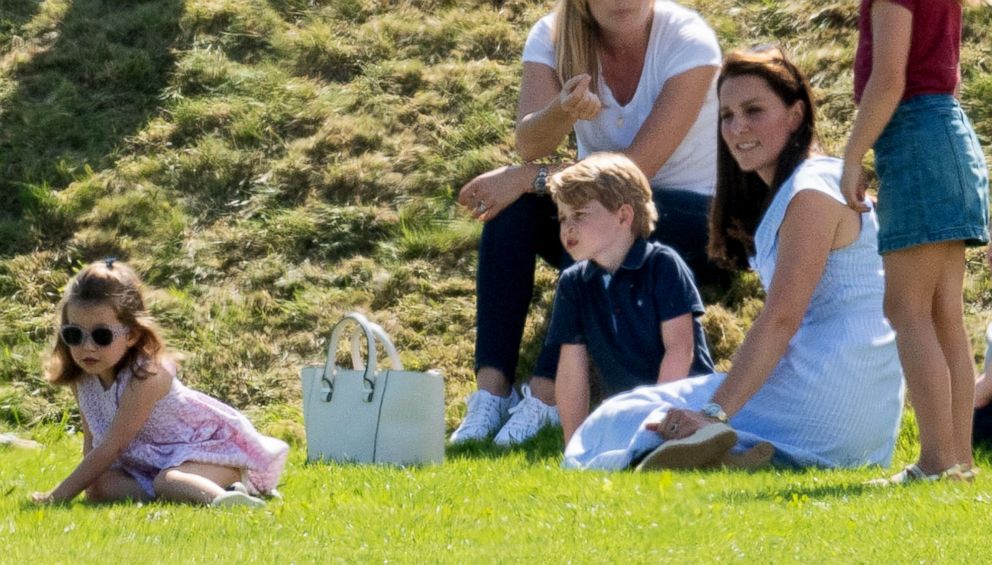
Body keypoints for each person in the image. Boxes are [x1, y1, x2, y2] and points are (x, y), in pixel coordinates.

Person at [563, 46, 906, 472]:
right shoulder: (811, 184)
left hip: (831, 392)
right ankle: (738, 456)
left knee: (625, 415)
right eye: (727, 115)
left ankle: (719, 446)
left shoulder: (813, 191)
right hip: (861, 410)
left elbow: (782, 317)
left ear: (796, 115)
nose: (738, 126)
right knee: (643, 409)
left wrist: (712, 415)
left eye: (753, 110)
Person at [451, 0, 723, 446]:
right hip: (608, 209)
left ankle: (547, 395)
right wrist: (561, 109)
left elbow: (635, 171)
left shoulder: (688, 41)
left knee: (582, 212)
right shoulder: (553, 35)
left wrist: (525, 179)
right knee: (515, 211)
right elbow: (529, 143)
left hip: (696, 222)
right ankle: (491, 392)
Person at [840, 0, 989, 483]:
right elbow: (948, 76)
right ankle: (957, 463)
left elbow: (889, 80)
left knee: (907, 308)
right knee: (943, 312)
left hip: (915, 139)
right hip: (948, 134)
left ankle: (935, 460)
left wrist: (851, 158)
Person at [30, 259, 289, 507]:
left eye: (101, 336)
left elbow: (113, 445)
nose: (87, 347)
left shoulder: (146, 375)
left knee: (170, 481)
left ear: (131, 335)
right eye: (74, 334)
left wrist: (57, 497)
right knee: (99, 486)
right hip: (154, 465)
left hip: (204, 453)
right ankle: (182, 495)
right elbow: (94, 442)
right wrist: (90, 487)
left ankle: (230, 498)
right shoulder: (83, 377)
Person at [546, 153, 714, 444]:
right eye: (563, 218)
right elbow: (572, 372)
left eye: (580, 215)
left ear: (624, 216)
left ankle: (734, 451)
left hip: (690, 403)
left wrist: (657, 416)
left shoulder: (662, 265)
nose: (568, 227)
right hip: (631, 414)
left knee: (692, 444)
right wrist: (574, 444)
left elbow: (680, 348)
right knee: (621, 453)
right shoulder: (573, 284)